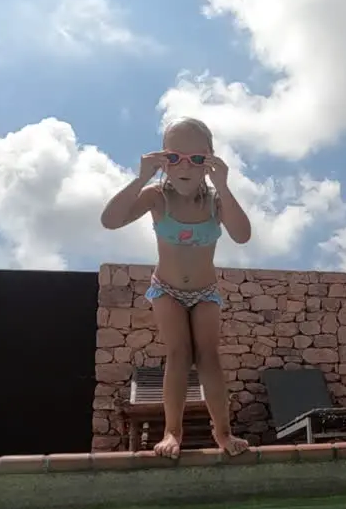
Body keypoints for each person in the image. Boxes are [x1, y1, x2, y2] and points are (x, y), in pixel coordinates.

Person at [100, 117, 252, 458]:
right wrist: (141, 178)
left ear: (210, 161)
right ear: (162, 161)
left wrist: (224, 187)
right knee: (179, 354)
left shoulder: (215, 202)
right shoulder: (157, 197)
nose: (185, 166)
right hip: (166, 288)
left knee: (209, 356)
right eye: (173, 158)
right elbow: (110, 221)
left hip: (205, 291)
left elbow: (242, 234)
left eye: (196, 159)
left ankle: (224, 433)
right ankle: (172, 432)